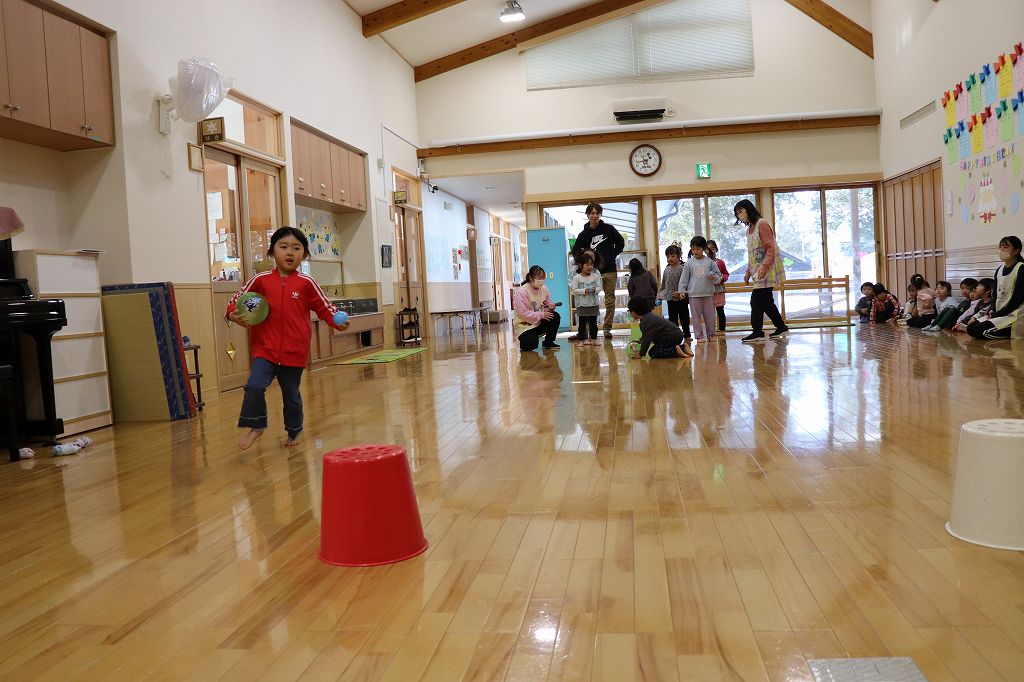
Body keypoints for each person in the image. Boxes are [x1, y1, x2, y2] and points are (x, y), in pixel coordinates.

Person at [227, 227, 349, 451]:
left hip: (294, 351)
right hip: (265, 349)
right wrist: (233, 314)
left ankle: (294, 430)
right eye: (283, 247)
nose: (290, 252)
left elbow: (325, 307)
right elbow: (238, 300)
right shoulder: (261, 280)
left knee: (291, 396)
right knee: (254, 385)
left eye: (296, 248)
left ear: (304, 254)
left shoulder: (306, 283)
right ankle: (256, 425)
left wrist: (335, 320)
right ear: (272, 252)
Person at [734, 199, 789, 342]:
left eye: (741, 211)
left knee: (756, 300)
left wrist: (764, 267)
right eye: (737, 214)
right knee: (766, 302)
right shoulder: (749, 230)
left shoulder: (762, 224)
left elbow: (770, 248)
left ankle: (757, 332)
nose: (740, 215)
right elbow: (752, 254)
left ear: (749, 209)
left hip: (767, 268)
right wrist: (748, 272)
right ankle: (781, 327)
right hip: (757, 270)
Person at [571, 203, 625, 338]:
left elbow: (620, 242)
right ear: (588, 215)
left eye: (597, 213)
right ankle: (584, 331)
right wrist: (584, 260)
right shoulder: (583, 234)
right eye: (592, 213)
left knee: (610, 300)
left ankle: (607, 328)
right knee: (586, 300)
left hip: (609, 270)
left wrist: (613, 254)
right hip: (591, 272)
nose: (594, 216)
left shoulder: (609, 229)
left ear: (600, 215)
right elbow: (575, 251)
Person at [967, 236, 1024, 339]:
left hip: (1014, 314)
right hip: (999, 313)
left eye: (1005, 247)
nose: (1001, 250)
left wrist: (998, 314)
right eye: (1000, 247)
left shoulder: (1021, 268)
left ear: (1016, 250)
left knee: (980, 331)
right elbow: (994, 295)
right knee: (971, 328)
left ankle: (1010, 330)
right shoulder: (999, 270)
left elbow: (1017, 299)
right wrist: (993, 309)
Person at [677, 236, 722, 343]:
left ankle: (711, 334)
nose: (695, 251)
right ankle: (699, 336)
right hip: (693, 294)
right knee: (696, 317)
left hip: (708, 293)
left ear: (704, 249)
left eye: (698, 249)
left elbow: (719, 277)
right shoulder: (689, 263)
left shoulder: (710, 262)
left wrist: (714, 277)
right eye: (693, 249)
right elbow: (684, 279)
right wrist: (682, 291)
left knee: (710, 316)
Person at [626, 296, 692, 359]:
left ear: (634, 311)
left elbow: (647, 338)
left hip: (671, 337)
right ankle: (683, 347)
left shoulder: (646, 321)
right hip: (675, 335)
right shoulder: (648, 317)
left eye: (630, 311)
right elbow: (647, 334)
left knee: (653, 353)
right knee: (656, 349)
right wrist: (641, 340)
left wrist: (641, 354)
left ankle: (678, 350)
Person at [514, 265, 561, 351]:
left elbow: (546, 308)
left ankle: (548, 343)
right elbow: (523, 313)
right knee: (529, 345)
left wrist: (551, 308)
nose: (542, 280)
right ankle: (529, 338)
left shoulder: (544, 289)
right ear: (530, 278)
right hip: (524, 325)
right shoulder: (522, 292)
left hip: (539, 322)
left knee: (555, 316)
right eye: (539, 277)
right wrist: (542, 315)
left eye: (543, 277)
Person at [657, 244, 690, 339]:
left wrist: (683, 293)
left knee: (684, 317)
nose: (670, 258)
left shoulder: (683, 268)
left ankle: (687, 335)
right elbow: (664, 284)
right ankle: (676, 335)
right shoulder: (666, 269)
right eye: (667, 257)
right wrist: (660, 295)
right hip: (670, 298)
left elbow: (687, 282)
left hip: (682, 298)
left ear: (679, 256)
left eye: (672, 256)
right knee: (672, 318)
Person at [571, 252, 602, 345]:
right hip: (582, 304)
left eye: (591, 265)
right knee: (582, 323)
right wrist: (584, 290)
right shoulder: (577, 278)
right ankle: (582, 340)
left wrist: (595, 290)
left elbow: (600, 287)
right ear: (581, 265)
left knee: (593, 323)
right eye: (587, 265)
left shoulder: (595, 276)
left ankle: (594, 338)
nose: (590, 267)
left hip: (593, 303)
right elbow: (574, 291)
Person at [706, 239, 730, 334]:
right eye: (708, 249)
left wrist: (722, 278)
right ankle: (711, 331)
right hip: (707, 290)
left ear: (716, 249)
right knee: (709, 312)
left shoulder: (720, 262)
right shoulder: (703, 263)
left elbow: (726, 274)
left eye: (712, 248)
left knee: (720, 310)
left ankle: (722, 330)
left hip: (719, 290)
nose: (710, 251)